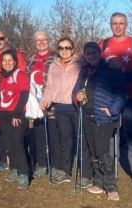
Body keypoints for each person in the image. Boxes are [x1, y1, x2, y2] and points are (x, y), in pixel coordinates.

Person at [98, 12, 132, 186]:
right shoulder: (102, 45)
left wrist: (119, 73)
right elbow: (96, 69)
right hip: (108, 97)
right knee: (111, 134)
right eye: (114, 23)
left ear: (126, 25)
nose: (118, 26)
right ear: (110, 25)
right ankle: (111, 169)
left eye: (121, 23)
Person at [74, 42, 127, 201]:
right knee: (92, 151)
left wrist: (113, 109)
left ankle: (111, 186)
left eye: (94, 52)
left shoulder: (111, 69)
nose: (91, 56)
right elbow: (76, 90)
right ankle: (98, 182)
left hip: (104, 117)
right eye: (88, 53)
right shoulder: (84, 71)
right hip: (87, 115)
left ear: (100, 52)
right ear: (85, 55)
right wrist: (77, 96)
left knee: (102, 151)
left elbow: (122, 93)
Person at [39, 37, 82, 185]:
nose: (64, 51)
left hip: (77, 108)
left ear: (73, 49)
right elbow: (50, 87)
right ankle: (65, 171)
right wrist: (45, 101)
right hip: (60, 109)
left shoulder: (81, 63)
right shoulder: (53, 66)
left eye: (67, 47)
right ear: (57, 50)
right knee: (65, 141)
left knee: (82, 140)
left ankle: (85, 172)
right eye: (61, 48)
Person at [0, 50, 30, 190]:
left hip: (17, 115)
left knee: (18, 144)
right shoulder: (1, 76)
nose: (7, 63)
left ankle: (24, 174)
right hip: (3, 115)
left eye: (10, 60)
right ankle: (14, 169)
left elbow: (24, 94)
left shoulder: (20, 74)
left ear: (15, 61)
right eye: (4, 60)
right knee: (9, 145)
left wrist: (16, 113)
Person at [0, 30, 25, 172]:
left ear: (6, 39)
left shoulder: (16, 53)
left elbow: (20, 75)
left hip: (13, 99)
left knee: (17, 132)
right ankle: (4, 159)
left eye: (1, 38)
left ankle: (19, 161)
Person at [25, 31, 59, 180]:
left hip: (53, 102)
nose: (41, 42)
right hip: (35, 102)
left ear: (48, 40)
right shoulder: (31, 59)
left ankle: (56, 165)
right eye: (38, 40)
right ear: (34, 43)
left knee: (54, 134)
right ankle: (42, 164)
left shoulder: (56, 56)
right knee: (39, 134)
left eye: (44, 40)